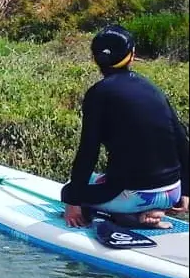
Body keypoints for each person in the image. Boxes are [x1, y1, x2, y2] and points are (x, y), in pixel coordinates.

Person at [61, 24, 189, 230]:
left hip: (134, 196)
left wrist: (73, 202)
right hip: (172, 192)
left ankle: (133, 216)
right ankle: (150, 211)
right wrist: (186, 191)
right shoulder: (152, 89)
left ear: (94, 59)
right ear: (132, 55)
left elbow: (88, 151)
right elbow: (182, 139)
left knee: (69, 191)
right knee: (96, 180)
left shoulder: (98, 94)